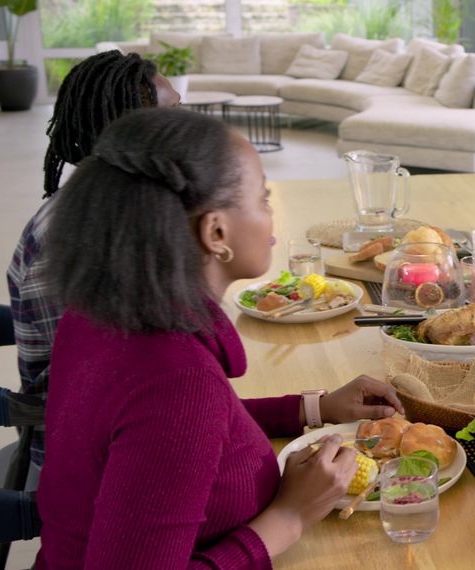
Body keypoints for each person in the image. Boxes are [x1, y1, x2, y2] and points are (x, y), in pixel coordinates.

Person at [34, 108, 405, 566]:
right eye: (263, 200)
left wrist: (314, 408)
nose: (271, 218)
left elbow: (167, 436)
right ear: (216, 232)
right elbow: (176, 412)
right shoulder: (177, 379)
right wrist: (289, 518)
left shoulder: (98, 313)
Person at [7, 51, 181, 466]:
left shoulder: (121, 204)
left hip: (121, 414)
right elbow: (100, 386)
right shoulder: (77, 239)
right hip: (87, 452)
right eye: (173, 115)